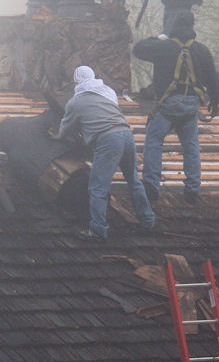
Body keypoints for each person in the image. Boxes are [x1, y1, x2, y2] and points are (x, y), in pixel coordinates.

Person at [54, 66, 156, 240]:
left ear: (76, 81)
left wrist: (55, 136)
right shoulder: (107, 93)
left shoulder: (75, 102)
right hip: (126, 135)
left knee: (98, 187)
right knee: (134, 181)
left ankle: (98, 230)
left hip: (108, 140)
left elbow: (64, 132)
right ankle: (148, 221)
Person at [132, 11, 219, 204]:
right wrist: (215, 102)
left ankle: (151, 187)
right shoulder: (201, 50)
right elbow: (213, 80)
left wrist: (158, 38)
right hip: (191, 106)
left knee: (154, 140)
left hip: (168, 104)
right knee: (191, 146)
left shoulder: (163, 47)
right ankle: (192, 190)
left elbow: (137, 49)